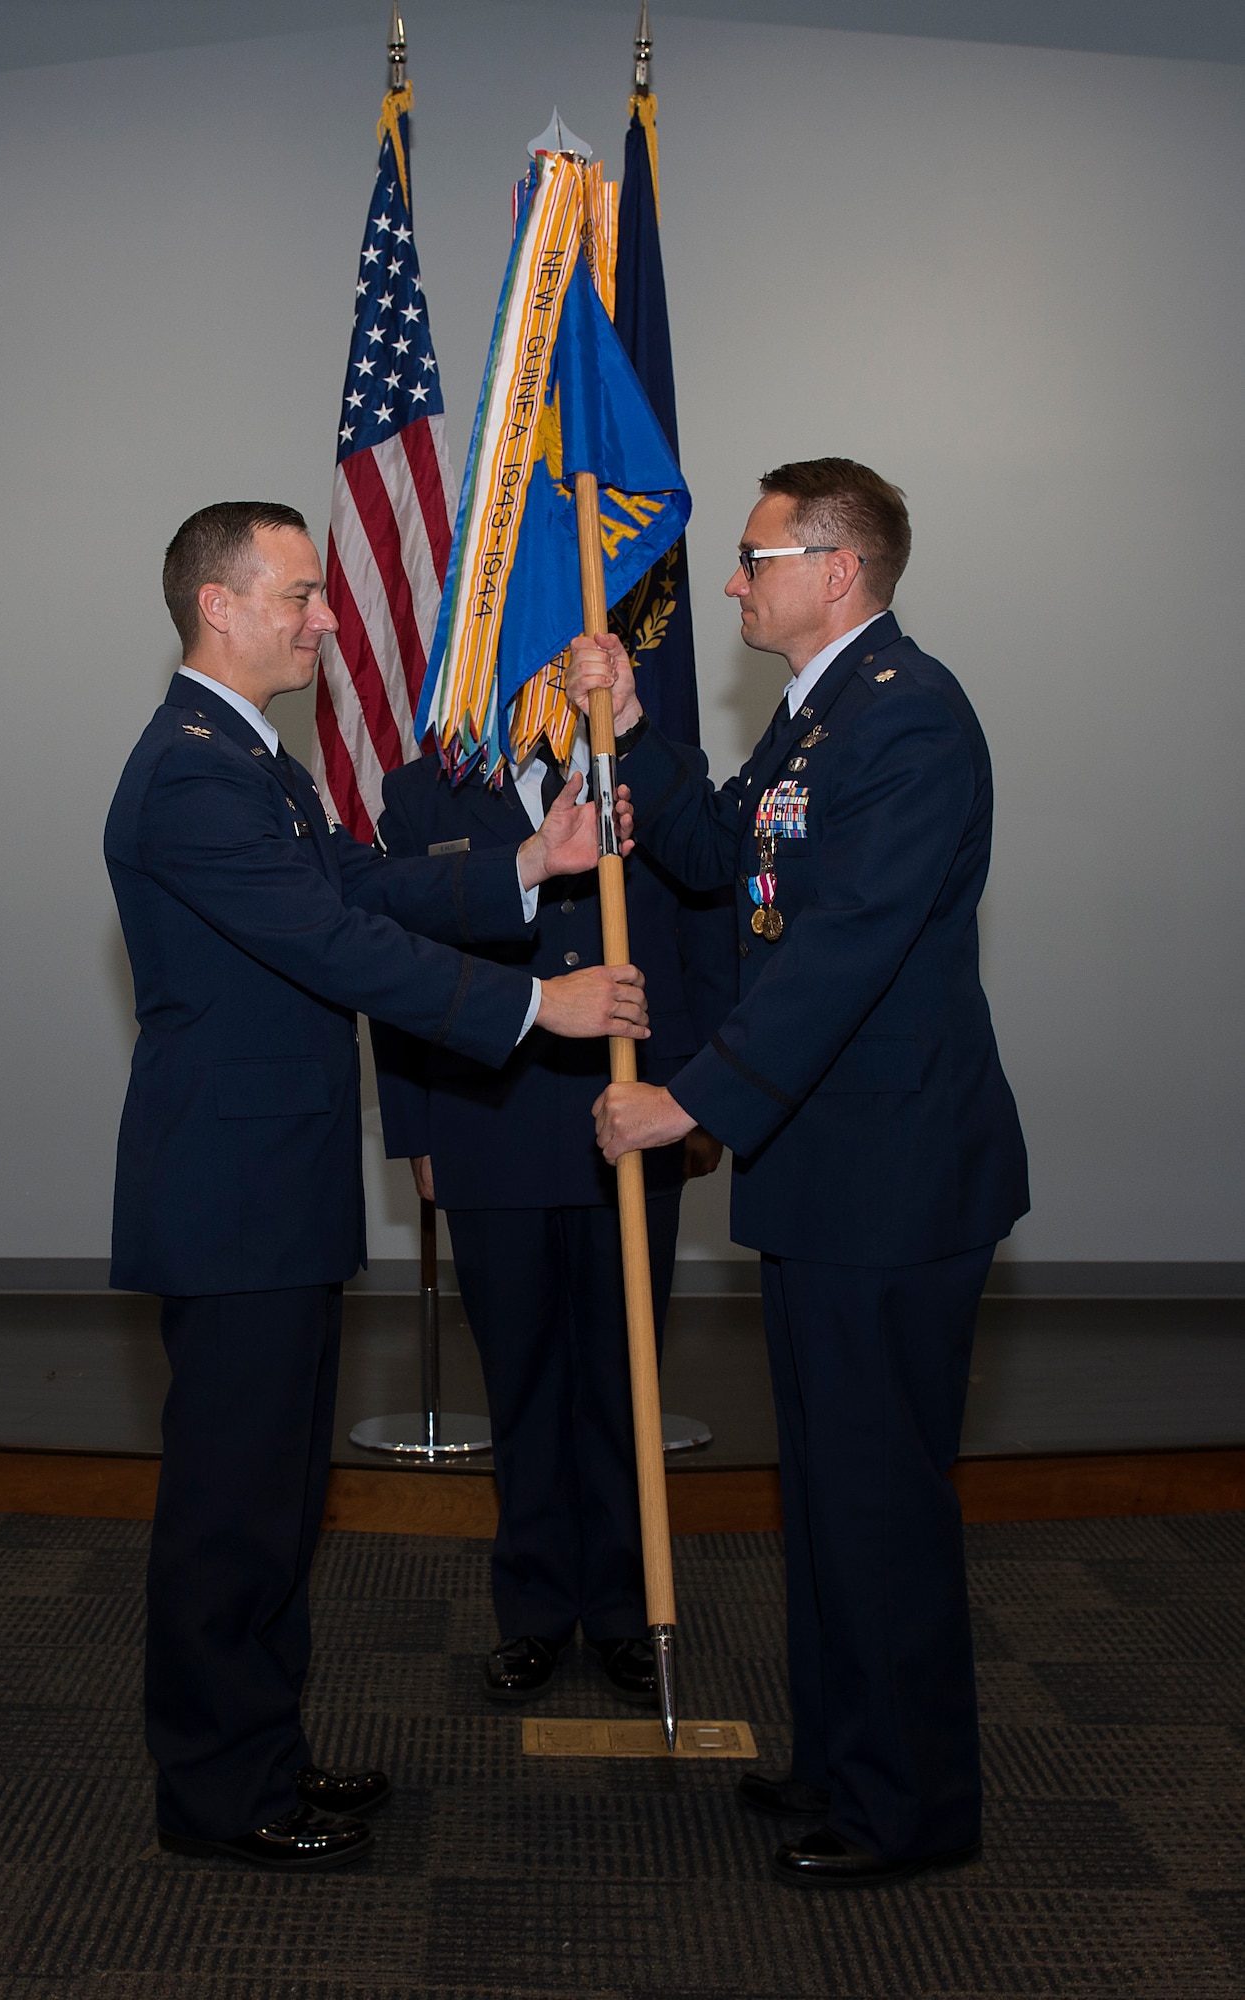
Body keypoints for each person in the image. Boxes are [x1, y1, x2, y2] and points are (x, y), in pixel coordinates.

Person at [105, 501, 650, 1874]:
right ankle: (221, 1796)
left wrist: (530, 862)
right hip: (230, 1199)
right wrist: (541, 1008)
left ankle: (262, 1757)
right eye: (299, 595)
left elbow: (359, 880)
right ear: (218, 606)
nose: (327, 618)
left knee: (280, 1505)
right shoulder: (189, 774)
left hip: (270, 1191)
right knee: (233, 1513)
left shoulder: (254, 764)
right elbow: (339, 948)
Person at [569, 458, 1028, 1890]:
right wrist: (635, 729)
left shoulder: (910, 719)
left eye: (755, 555)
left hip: (894, 1180)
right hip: (833, 1179)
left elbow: (840, 954)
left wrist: (689, 1103)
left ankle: (910, 1810)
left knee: (881, 1498)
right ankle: (842, 1761)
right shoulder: (820, 714)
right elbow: (717, 856)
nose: (733, 579)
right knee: (828, 1494)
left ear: (835, 568)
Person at [371, 722, 732, 1706]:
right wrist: (416, 1131)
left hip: (635, 1115)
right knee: (522, 1379)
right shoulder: (419, 793)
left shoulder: (649, 770)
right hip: (487, 1118)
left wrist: (704, 1096)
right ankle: (532, 1608)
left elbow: (705, 921)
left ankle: (622, 1606)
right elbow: (392, 971)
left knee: (624, 1379)